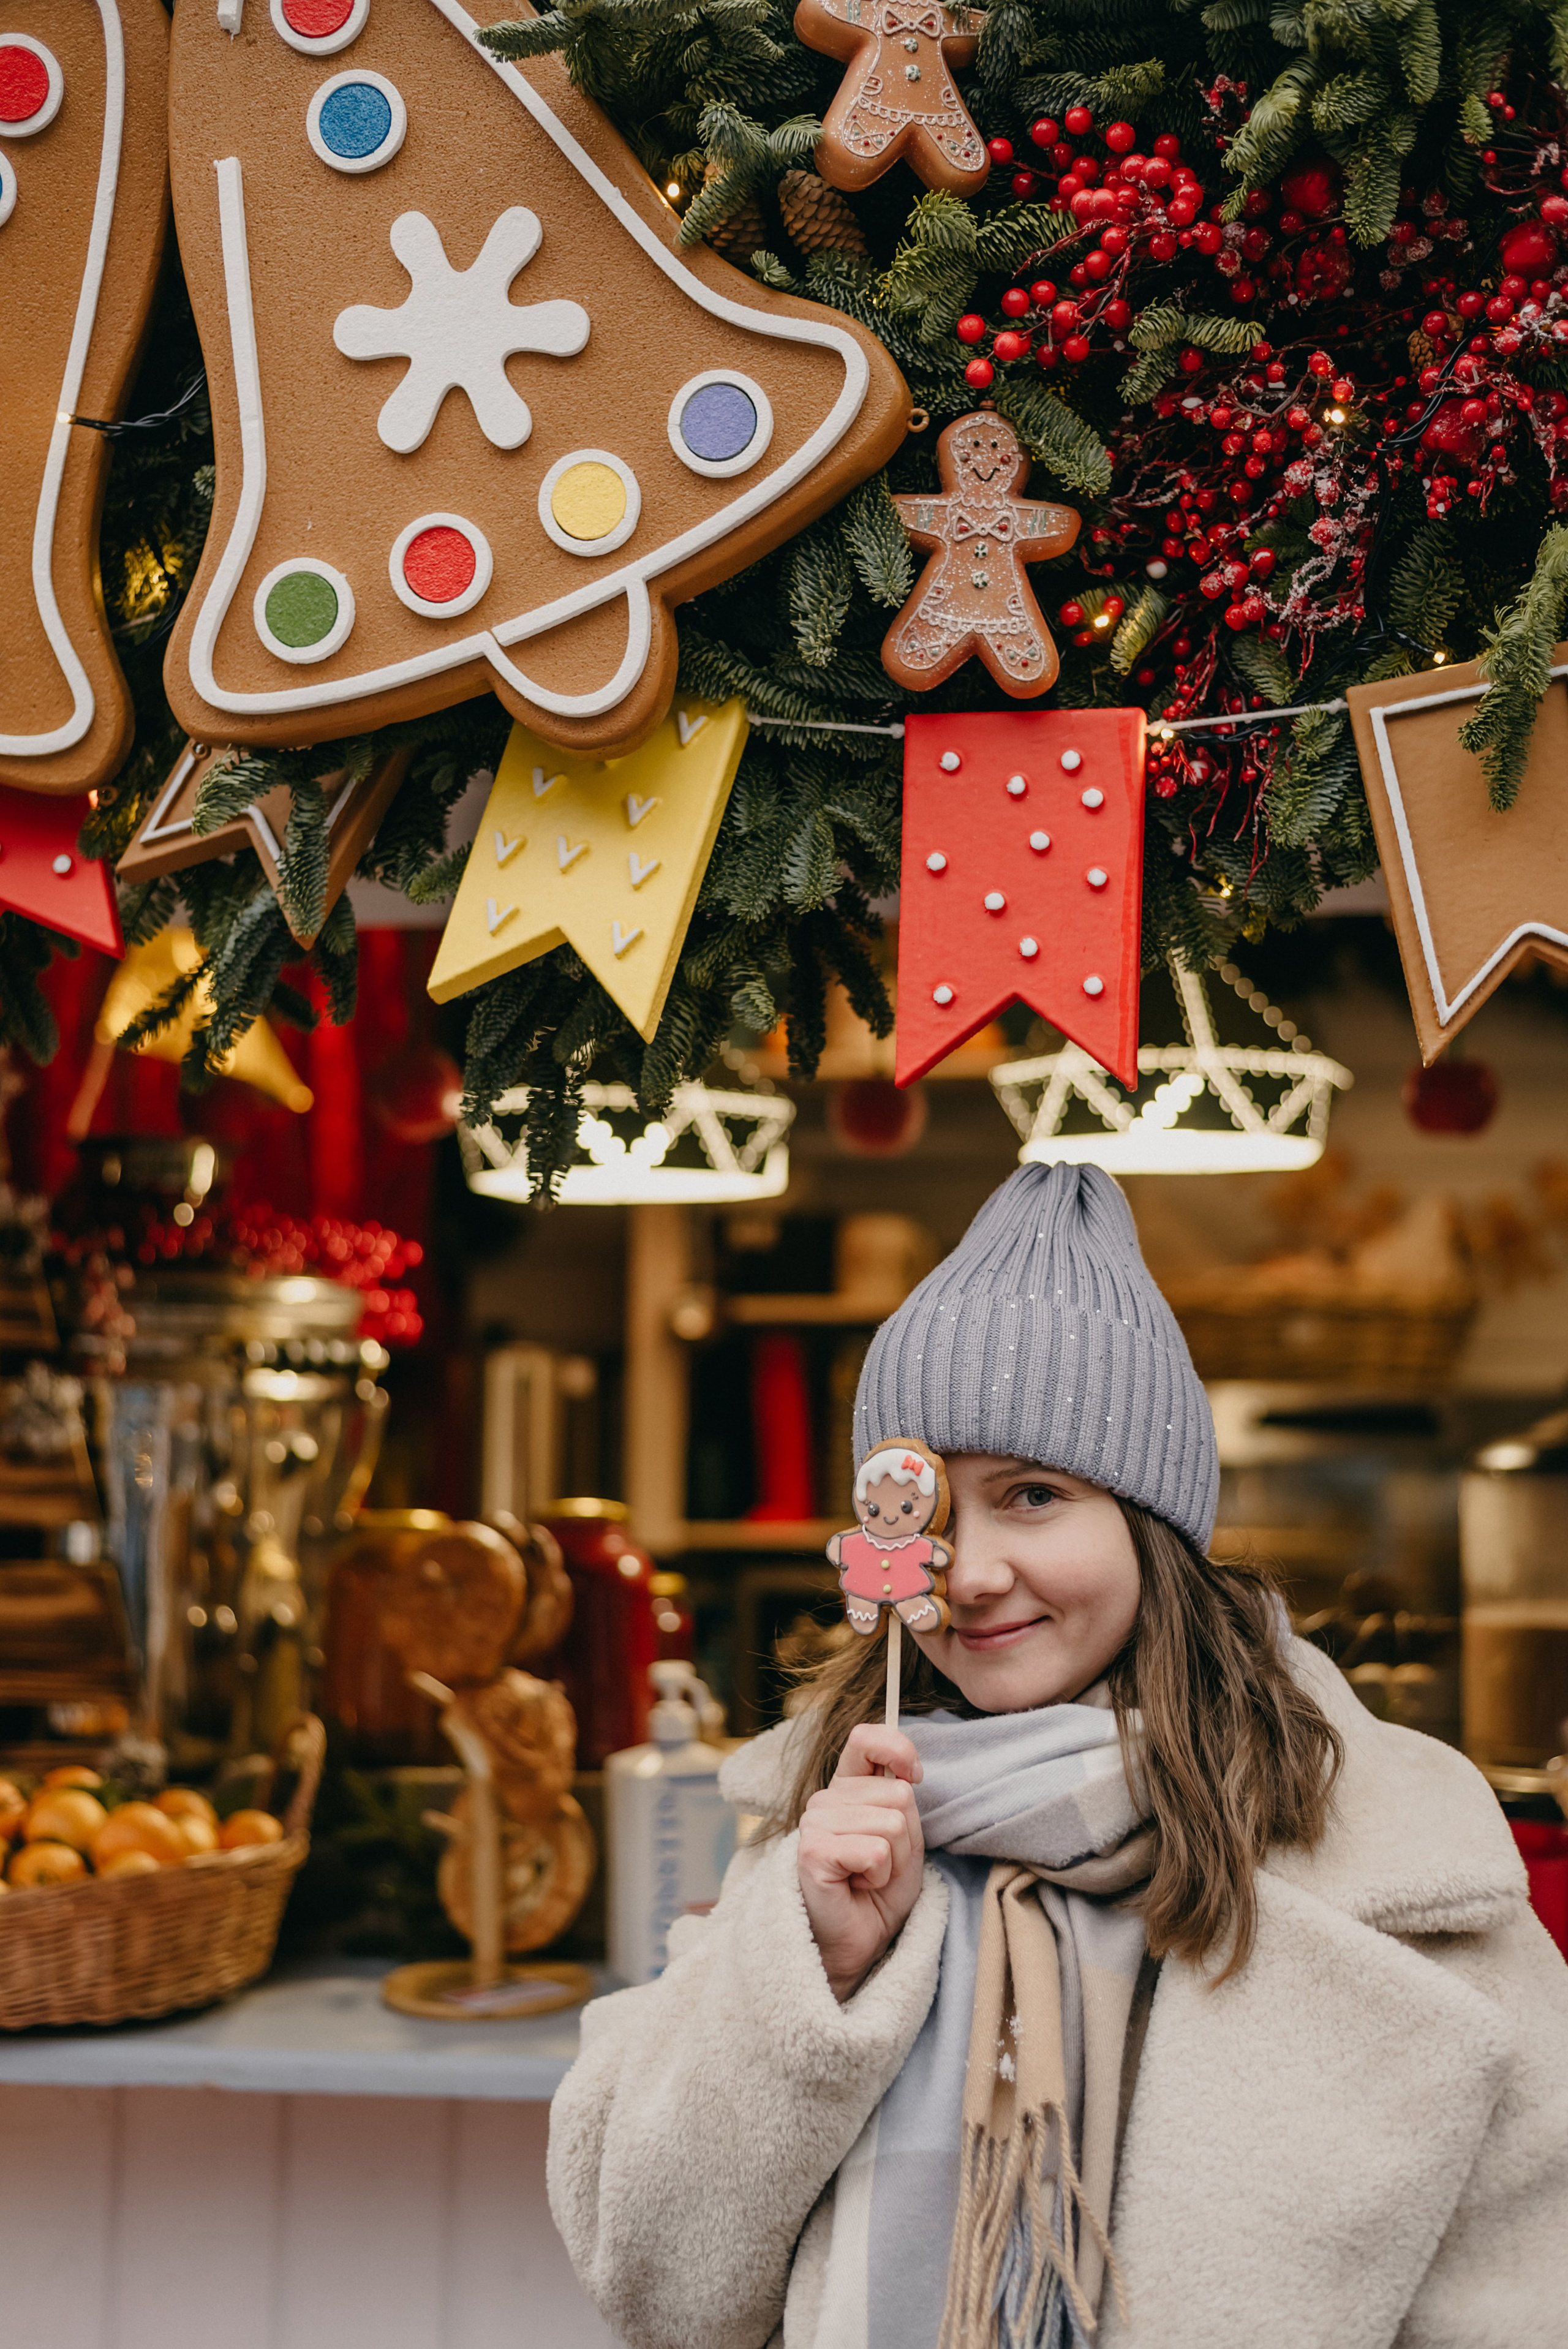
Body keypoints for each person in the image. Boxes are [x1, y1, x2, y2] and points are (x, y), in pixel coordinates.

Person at [549, 1164, 1568, 2349]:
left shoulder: (1400, 1859)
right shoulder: (830, 1823)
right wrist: (806, 1974)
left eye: (1032, 1496)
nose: (972, 1574)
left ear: (1151, 1527)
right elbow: (656, 2288)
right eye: (931, 1517)